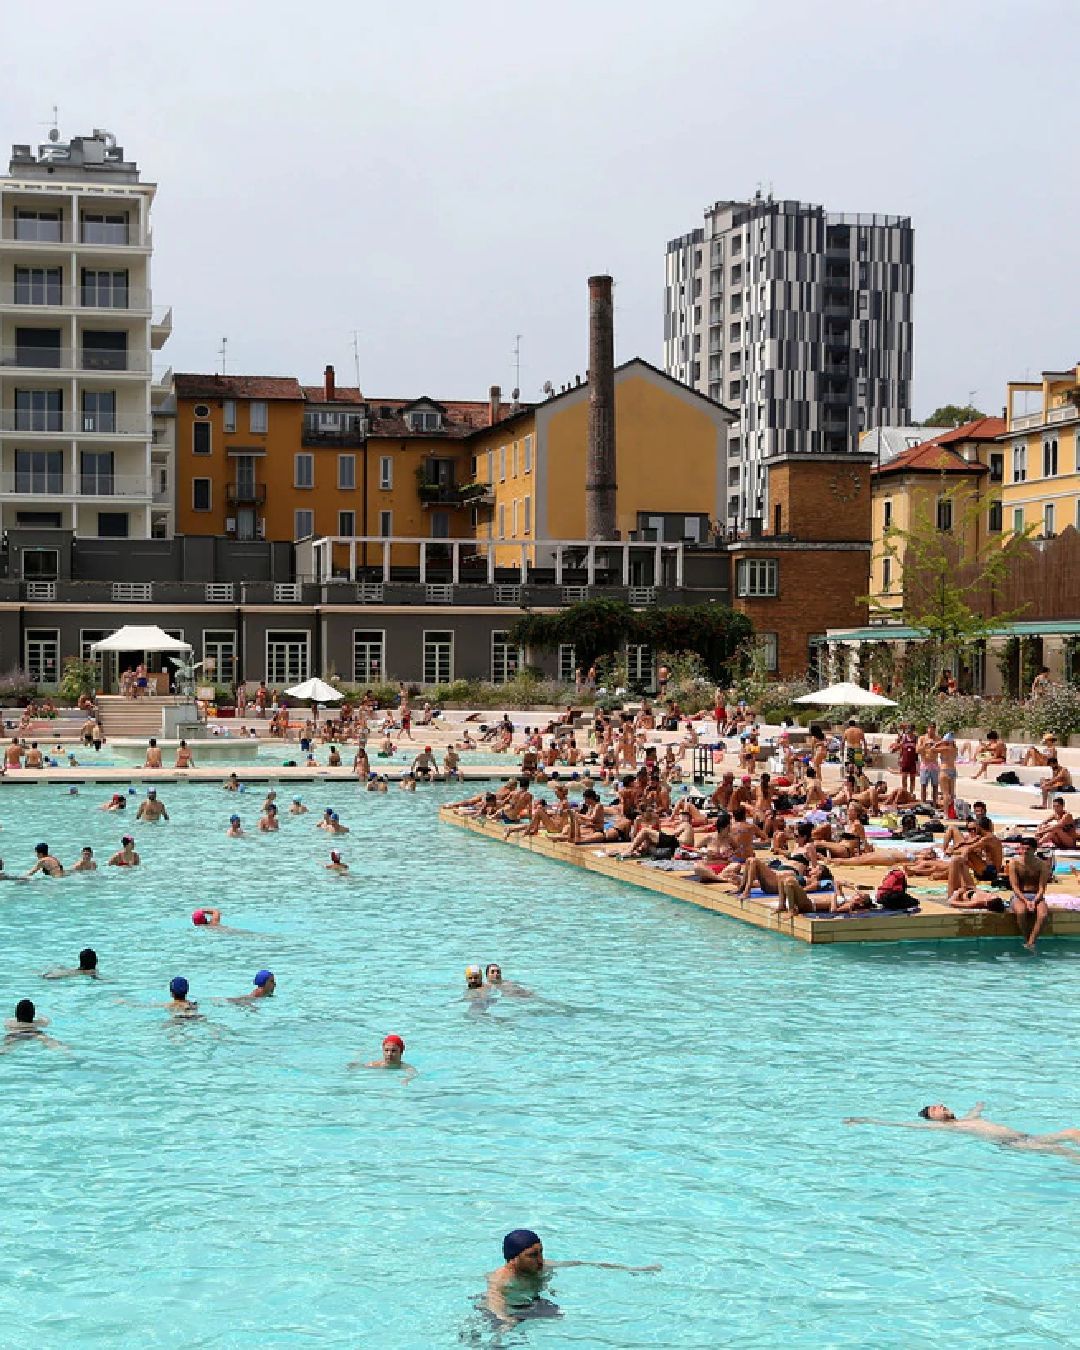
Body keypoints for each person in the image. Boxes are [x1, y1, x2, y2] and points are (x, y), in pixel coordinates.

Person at [485, 1230, 659, 1328]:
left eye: (541, 1252)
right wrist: (505, 1320)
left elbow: (584, 1264)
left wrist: (632, 1269)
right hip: (508, 1310)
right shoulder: (501, 1278)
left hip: (534, 1304)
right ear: (514, 1259)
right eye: (532, 1255)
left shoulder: (543, 1266)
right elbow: (494, 1301)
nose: (540, 1259)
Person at [845, 1103, 1080, 1158]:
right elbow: (900, 1124)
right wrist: (864, 1120)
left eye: (941, 1105)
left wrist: (980, 1104)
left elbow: (975, 1114)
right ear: (933, 1119)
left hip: (1024, 1136)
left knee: (1070, 1139)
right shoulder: (947, 1128)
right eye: (935, 1109)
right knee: (1066, 1144)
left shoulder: (966, 1119)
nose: (941, 1106)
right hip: (1014, 1143)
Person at [1008, 839, 1054, 950]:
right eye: (1022, 848)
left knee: (1043, 915)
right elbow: (1014, 886)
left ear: (1034, 850)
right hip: (1020, 895)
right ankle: (1027, 938)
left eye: (1027, 849)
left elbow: (1042, 888)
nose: (1024, 851)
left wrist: (1034, 901)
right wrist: (1025, 901)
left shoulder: (1042, 865)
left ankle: (1031, 943)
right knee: (1021, 911)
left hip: (1036, 895)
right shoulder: (1014, 863)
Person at [2, 999, 67, 1052]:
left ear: (16, 1013)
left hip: (16, 1034)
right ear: (33, 1014)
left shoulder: (9, 1021)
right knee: (49, 1041)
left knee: (7, 1046)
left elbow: (6, 1026)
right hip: (34, 1033)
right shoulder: (40, 1022)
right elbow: (47, 1021)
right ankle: (65, 1051)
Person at [350, 1033, 416, 1082]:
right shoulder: (374, 1065)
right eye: (386, 1050)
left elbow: (413, 1074)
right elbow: (359, 1066)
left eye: (393, 1051)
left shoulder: (404, 1067)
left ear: (401, 1051)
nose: (389, 1054)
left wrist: (407, 1079)